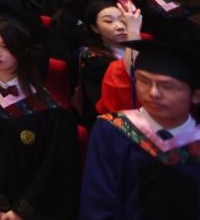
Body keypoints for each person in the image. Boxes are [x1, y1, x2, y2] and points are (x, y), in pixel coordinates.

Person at [0, 4, 81, 220]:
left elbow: (53, 170)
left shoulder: (50, 112)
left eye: (6, 46)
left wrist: (20, 211)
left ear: (23, 50)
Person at [79, 39, 200, 220]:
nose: (153, 93)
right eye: (143, 80)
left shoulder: (196, 138)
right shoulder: (113, 130)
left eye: (167, 86)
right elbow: (97, 204)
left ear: (196, 96)